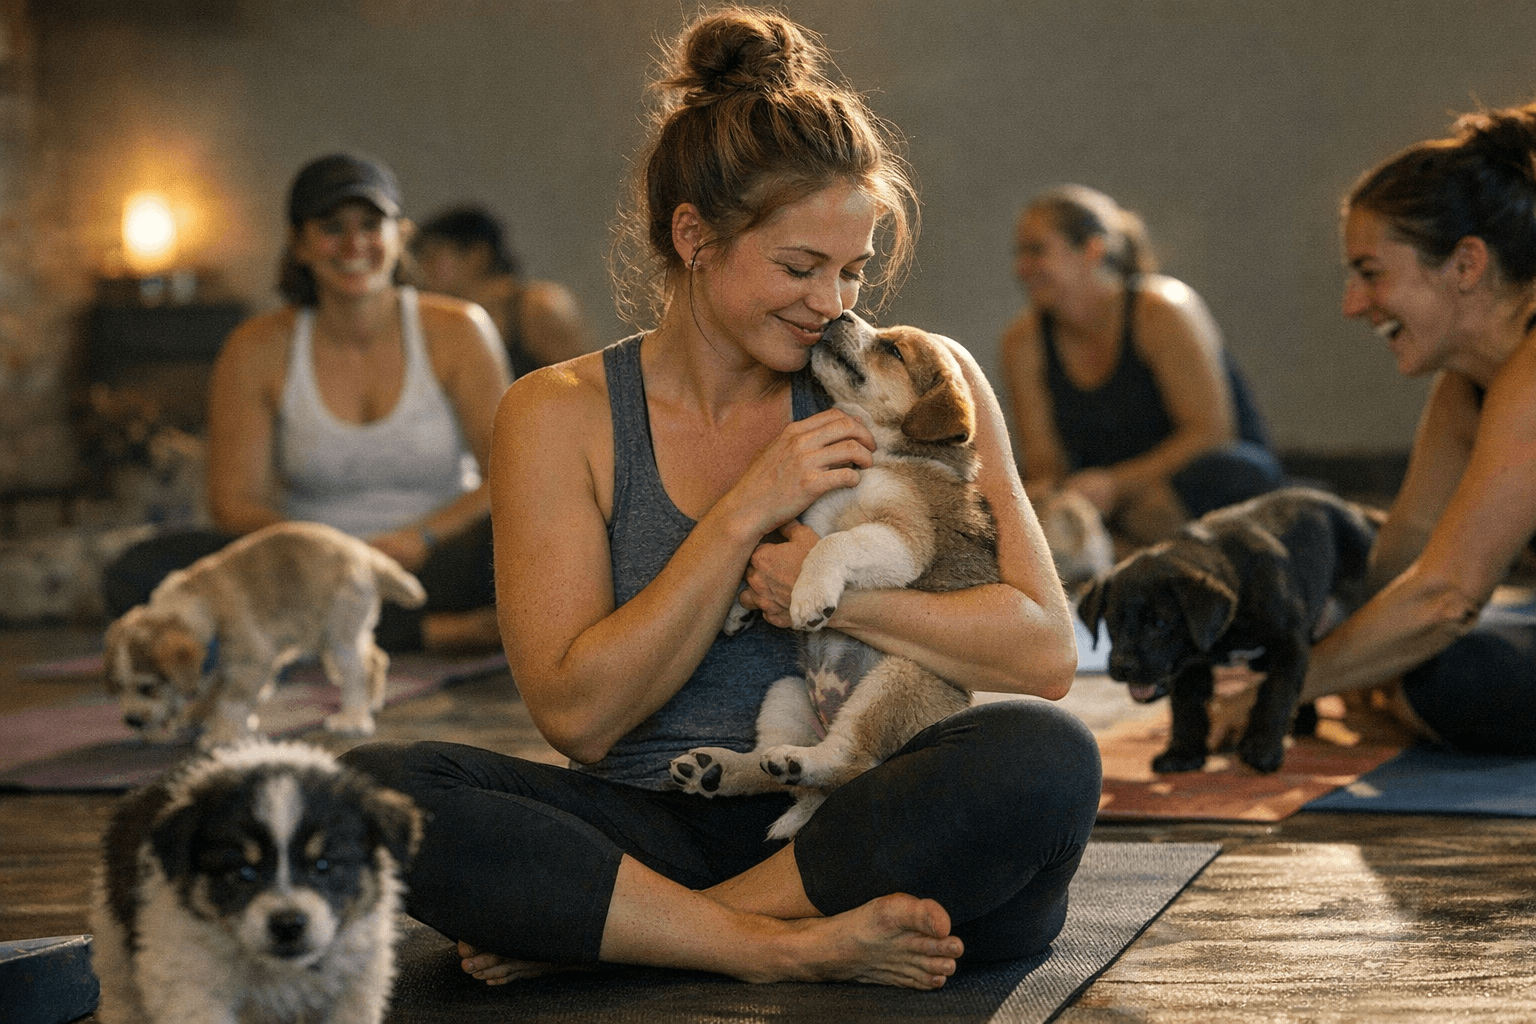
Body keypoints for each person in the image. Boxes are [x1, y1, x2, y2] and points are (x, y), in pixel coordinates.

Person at [341, 8, 1100, 990]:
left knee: (1043, 759)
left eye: (852, 270)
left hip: (860, 823)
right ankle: (775, 944)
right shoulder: (557, 413)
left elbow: (1043, 651)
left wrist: (834, 596)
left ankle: (647, 936)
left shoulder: (912, 380)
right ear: (693, 237)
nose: (833, 302)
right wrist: (747, 508)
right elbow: (580, 716)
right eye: (798, 267)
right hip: (648, 826)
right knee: (374, 792)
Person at [102, 152, 511, 652]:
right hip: (307, 567)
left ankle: (321, 636)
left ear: (400, 235)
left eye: (371, 224)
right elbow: (233, 504)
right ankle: (440, 634)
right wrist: (330, 552)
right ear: (299, 244)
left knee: (544, 543)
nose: (353, 244)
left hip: (434, 559)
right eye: (331, 227)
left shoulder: (459, 331)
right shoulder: (255, 348)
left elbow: (512, 471)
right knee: (140, 572)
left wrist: (420, 538)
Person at [1299, 102, 1536, 756]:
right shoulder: (1467, 384)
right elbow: (1407, 549)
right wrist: (1351, 657)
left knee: (1456, 678)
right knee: (1420, 658)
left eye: (1370, 273)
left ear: (1466, 264)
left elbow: (1447, 598)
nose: (1353, 305)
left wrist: (1288, 688)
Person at [1000, 184, 1286, 549]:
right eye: (1019, 253)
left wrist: (1118, 485)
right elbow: (1044, 463)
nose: (1021, 268)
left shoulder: (1160, 310)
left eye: (1036, 251)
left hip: (1194, 486)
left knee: (1237, 469)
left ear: (1091, 250)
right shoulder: (1023, 342)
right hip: (1106, 503)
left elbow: (1211, 432)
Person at [411, 204, 588, 376]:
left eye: (432, 256)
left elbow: (582, 385)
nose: (422, 268)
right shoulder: (448, 320)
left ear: (477, 256)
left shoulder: (538, 307)